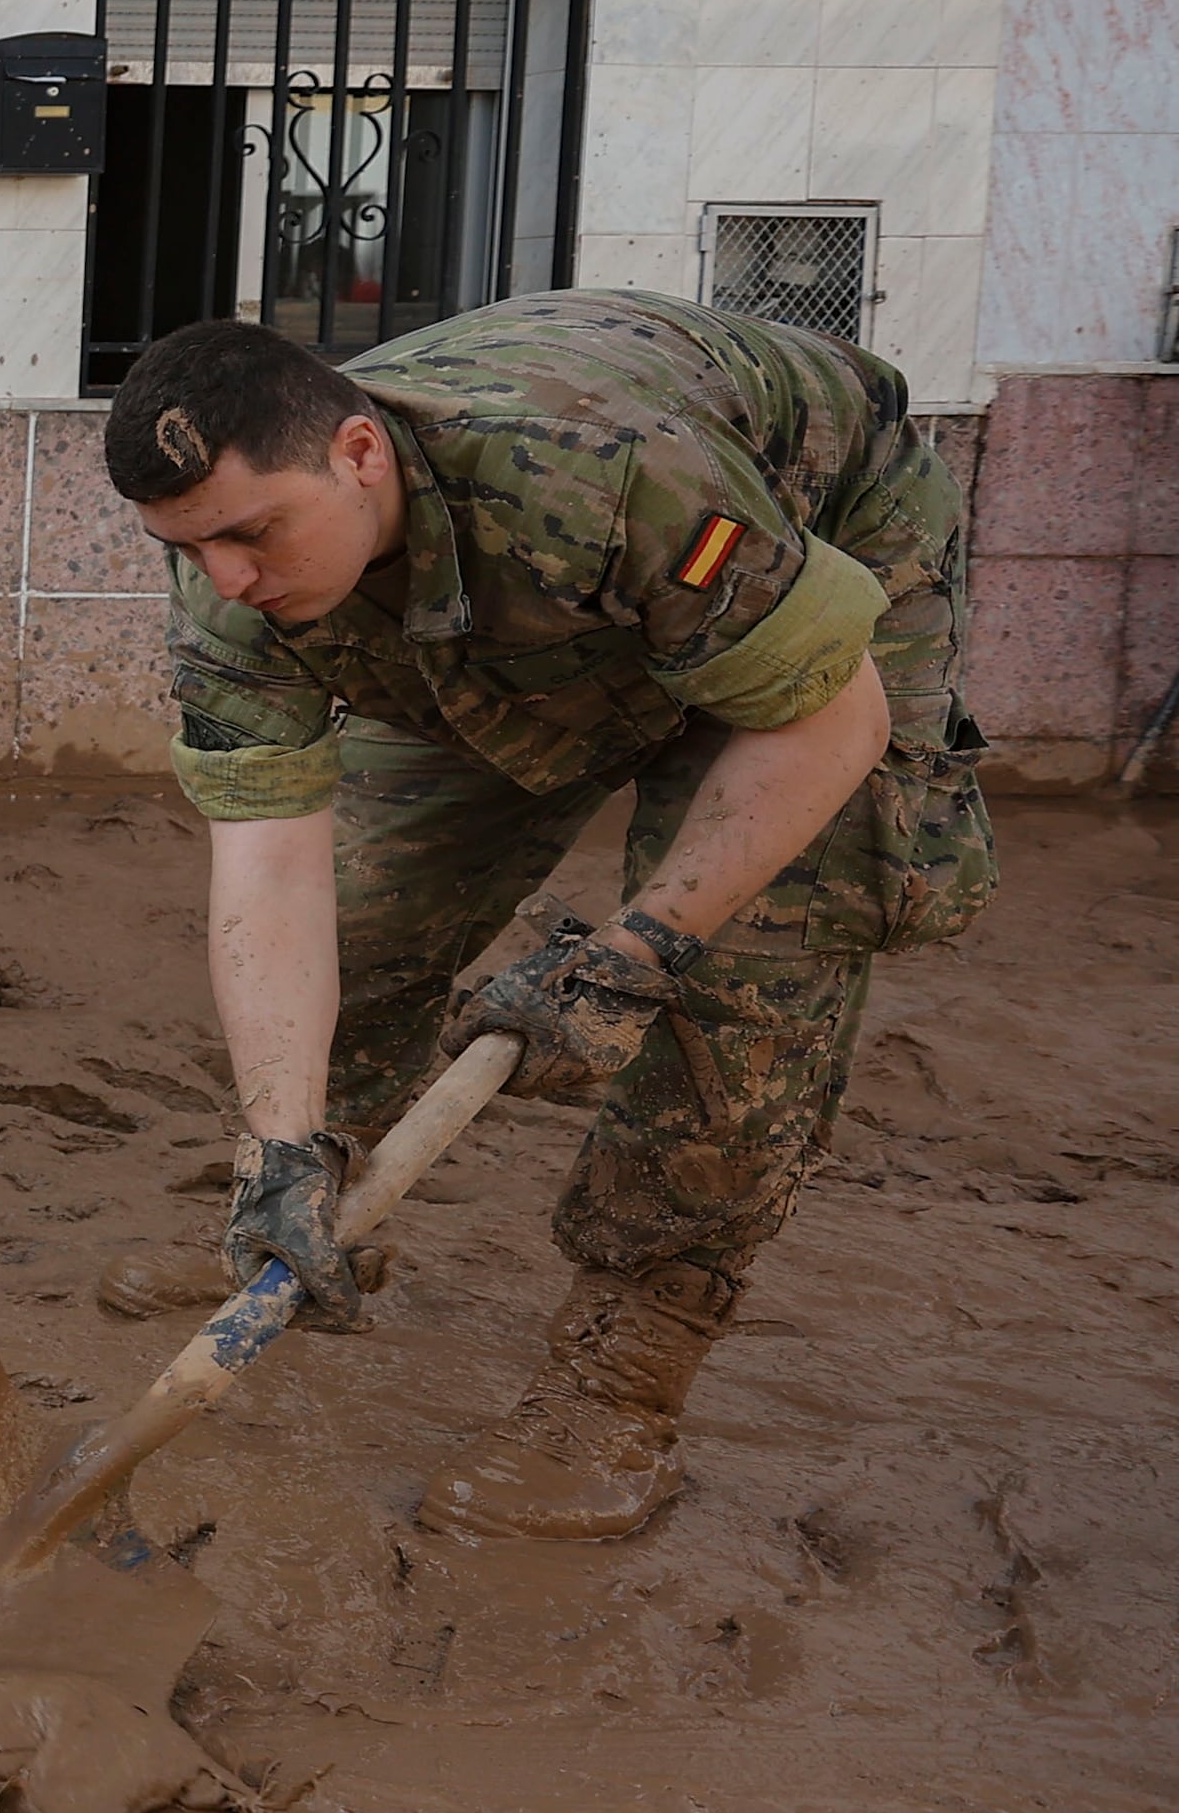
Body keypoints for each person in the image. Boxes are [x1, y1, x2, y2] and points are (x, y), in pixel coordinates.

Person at [107, 297, 993, 1541]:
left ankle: (621, 1373)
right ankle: (314, 1221)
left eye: (251, 532)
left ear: (355, 454)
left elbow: (823, 718)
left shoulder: (607, 470)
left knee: (742, 971)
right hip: (506, 603)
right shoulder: (230, 582)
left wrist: (637, 952)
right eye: (191, 546)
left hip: (805, 551)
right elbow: (269, 867)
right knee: (364, 917)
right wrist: (276, 1141)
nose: (228, 579)